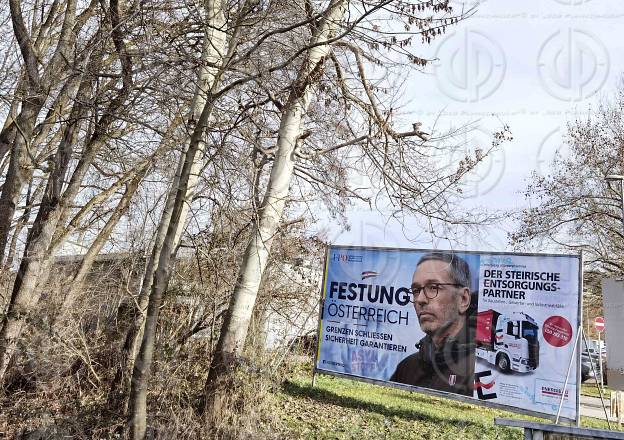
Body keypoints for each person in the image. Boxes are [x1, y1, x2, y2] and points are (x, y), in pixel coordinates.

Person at [390, 252, 476, 396]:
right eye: (416, 290)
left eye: (433, 287)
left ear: (463, 299)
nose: (420, 299)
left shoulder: (481, 369)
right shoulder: (406, 368)